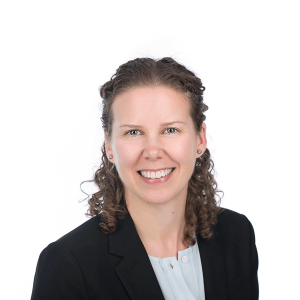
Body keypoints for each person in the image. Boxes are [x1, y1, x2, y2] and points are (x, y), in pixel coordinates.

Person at [30, 57, 259, 300]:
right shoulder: (68, 265)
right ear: (109, 145)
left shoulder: (236, 235)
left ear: (200, 139)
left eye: (170, 130)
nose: (152, 151)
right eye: (134, 132)